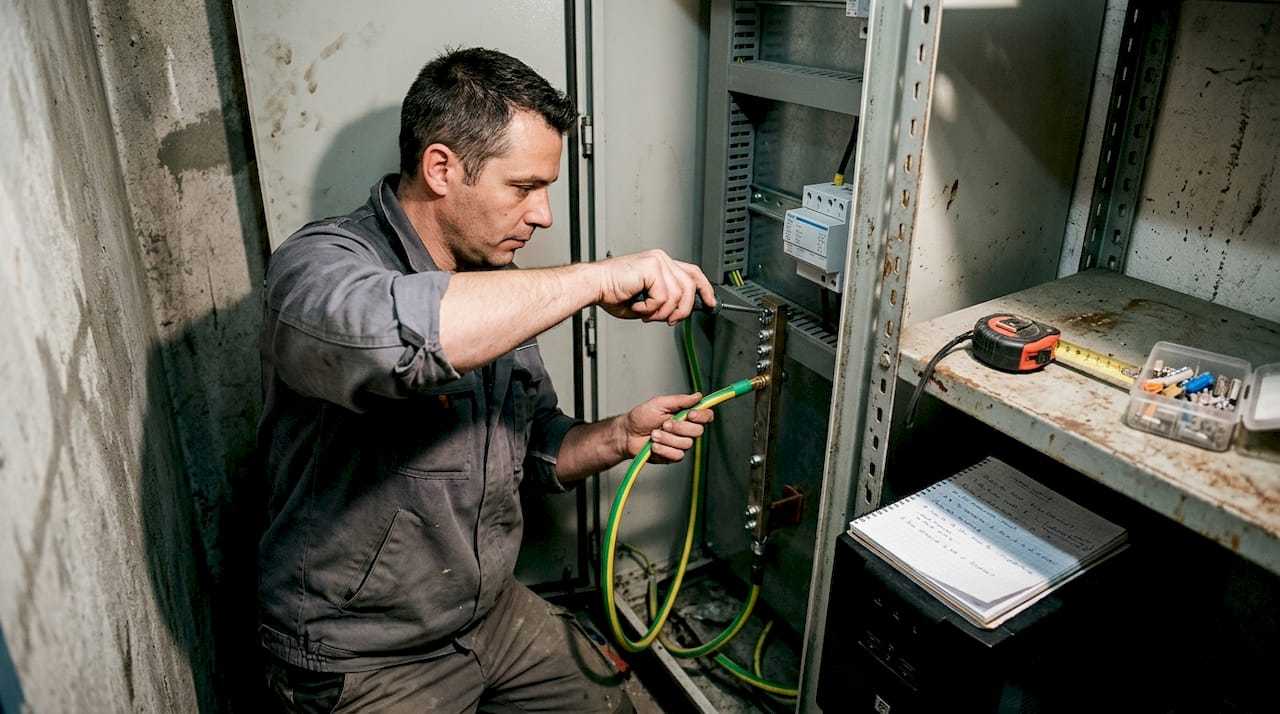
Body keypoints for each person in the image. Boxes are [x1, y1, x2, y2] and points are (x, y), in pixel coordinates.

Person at [256, 46, 717, 713]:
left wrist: (620, 435)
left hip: (487, 617)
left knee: (611, 707)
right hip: (362, 656)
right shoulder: (317, 267)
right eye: (525, 187)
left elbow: (531, 448)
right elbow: (396, 341)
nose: (544, 215)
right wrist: (595, 277)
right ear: (441, 168)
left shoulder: (496, 289)